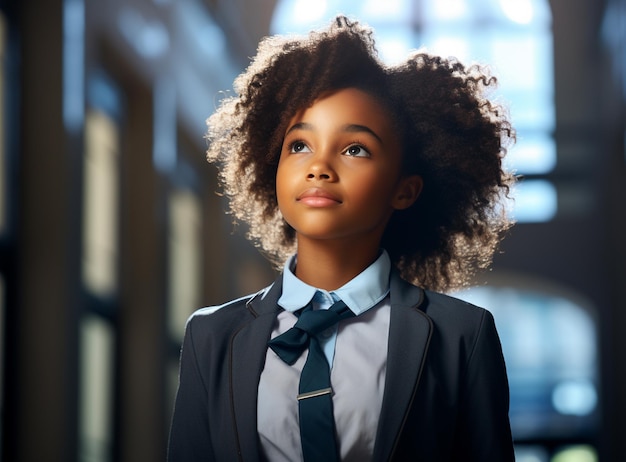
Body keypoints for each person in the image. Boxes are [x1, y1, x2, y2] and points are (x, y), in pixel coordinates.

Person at [168, 15, 516, 462]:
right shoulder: (211, 335)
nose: (319, 167)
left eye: (355, 149)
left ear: (404, 189)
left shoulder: (461, 336)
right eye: (299, 145)